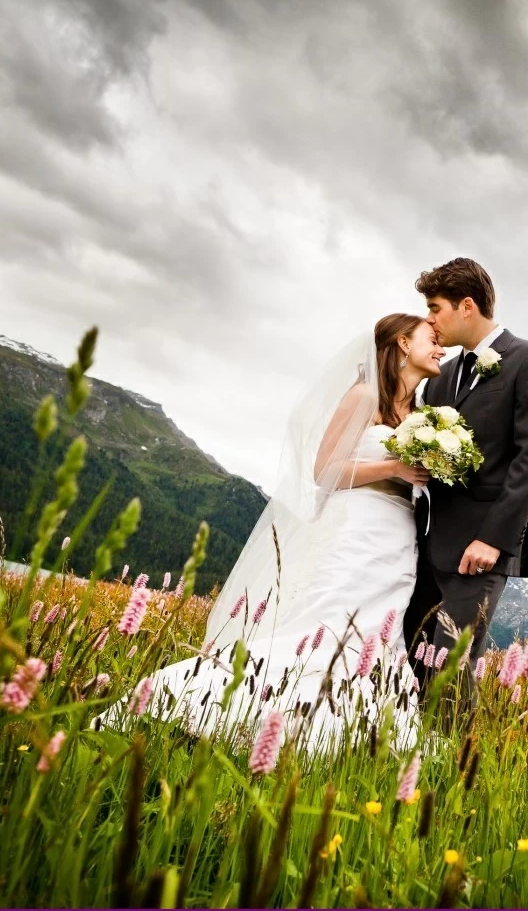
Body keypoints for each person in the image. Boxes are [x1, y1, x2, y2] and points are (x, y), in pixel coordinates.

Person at [106, 314, 444, 754]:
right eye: (431, 339)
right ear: (402, 342)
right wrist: (394, 468)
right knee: (329, 620)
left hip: (399, 535)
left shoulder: (420, 415)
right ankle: (211, 707)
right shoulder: (363, 395)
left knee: (379, 630)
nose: (440, 347)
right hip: (355, 528)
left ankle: (359, 734)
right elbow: (325, 470)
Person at [404, 257, 528, 729]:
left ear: (466, 306)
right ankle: (406, 755)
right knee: (414, 656)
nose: (430, 319)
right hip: (427, 543)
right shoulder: (443, 375)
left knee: (450, 663)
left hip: (481, 548)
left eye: (435, 308)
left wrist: (494, 538)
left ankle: (446, 767)